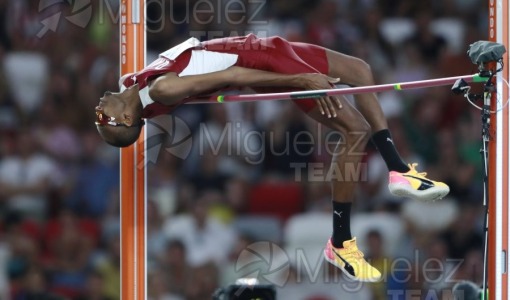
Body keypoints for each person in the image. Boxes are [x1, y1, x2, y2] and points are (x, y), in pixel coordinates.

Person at [95, 34, 449, 281]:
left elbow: (130, 98)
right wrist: (300, 79)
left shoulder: (134, 84)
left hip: (265, 47)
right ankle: (345, 238)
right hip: (263, 61)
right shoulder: (161, 89)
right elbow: (232, 75)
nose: (98, 110)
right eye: (102, 119)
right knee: (354, 129)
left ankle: (397, 171)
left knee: (358, 69)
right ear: (126, 120)